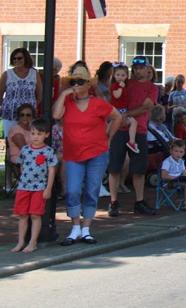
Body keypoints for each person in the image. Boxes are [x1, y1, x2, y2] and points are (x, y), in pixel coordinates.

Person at [53, 64, 122, 245]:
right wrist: (63, 94)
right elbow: (56, 114)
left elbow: (117, 117)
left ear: (88, 85)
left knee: (91, 190)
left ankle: (86, 228)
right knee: (72, 190)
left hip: (97, 153)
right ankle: (75, 227)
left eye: (80, 81)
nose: (76, 84)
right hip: (73, 154)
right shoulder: (67, 102)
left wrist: (109, 137)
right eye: (73, 81)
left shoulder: (98, 103)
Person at [107, 56, 158, 217]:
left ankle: (139, 201)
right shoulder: (126, 82)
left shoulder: (152, 87)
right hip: (119, 128)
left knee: (139, 169)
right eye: (135, 68)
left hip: (139, 130)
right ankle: (113, 202)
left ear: (147, 68)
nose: (138, 70)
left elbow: (147, 106)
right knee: (114, 166)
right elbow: (113, 93)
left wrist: (127, 114)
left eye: (141, 68)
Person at [10, 118, 58, 253]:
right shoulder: (25, 150)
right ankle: (20, 241)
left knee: (35, 215)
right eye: (33, 133)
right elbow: (21, 165)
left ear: (46, 135)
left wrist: (48, 188)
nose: (35, 137)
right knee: (22, 215)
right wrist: (22, 181)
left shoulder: (48, 151)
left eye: (39, 134)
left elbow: (52, 170)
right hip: (23, 187)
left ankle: (33, 242)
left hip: (39, 188)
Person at [0, 47, 41, 136]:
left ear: (26, 58)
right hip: (10, 114)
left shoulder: (34, 74)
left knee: (29, 140)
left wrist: (32, 105)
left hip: (28, 115)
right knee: (11, 141)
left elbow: (40, 94)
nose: (16, 60)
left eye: (19, 58)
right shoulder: (7, 74)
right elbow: (0, 94)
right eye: (14, 58)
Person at [160, 139, 186, 211]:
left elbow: (185, 173)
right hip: (170, 182)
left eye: (181, 152)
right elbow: (164, 176)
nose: (178, 154)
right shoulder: (167, 162)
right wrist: (176, 177)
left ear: (184, 153)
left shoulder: (181, 161)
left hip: (180, 180)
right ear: (171, 151)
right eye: (176, 151)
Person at [109, 64, 140, 154]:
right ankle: (131, 141)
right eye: (118, 75)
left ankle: (131, 141)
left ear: (127, 76)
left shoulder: (124, 86)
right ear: (114, 75)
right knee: (133, 122)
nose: (120, 77)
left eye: (123, 75)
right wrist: (121, 87)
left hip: (123, 109)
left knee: (131, 122)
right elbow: (116, 95)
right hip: (118, 110)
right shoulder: (115, 86)